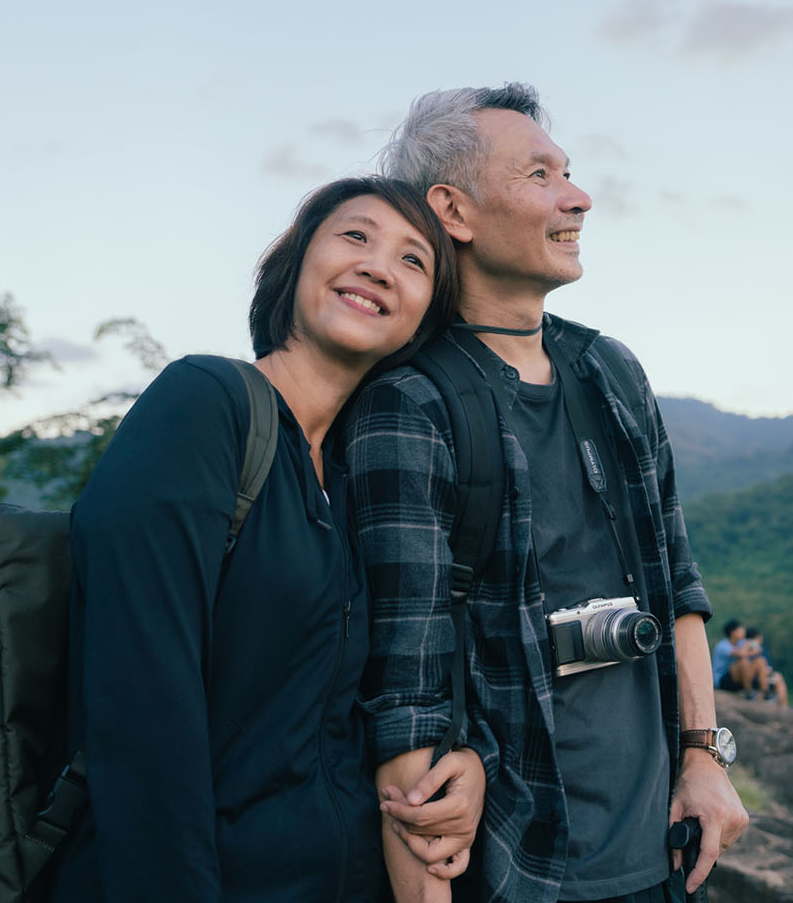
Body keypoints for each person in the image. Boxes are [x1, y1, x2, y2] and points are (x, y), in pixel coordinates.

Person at [347, 84, 748, 903]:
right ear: (453, 210)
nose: (578, 197)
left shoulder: (609, 370)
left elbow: (675, 580)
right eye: (539, 175)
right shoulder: (411, 401)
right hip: (524, 868)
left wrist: (704, 757)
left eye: (569, 172)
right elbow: (407, 696)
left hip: (662, 853)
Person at [50, 177, 484, 903]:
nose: (378, 266)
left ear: (420, 321)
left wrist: (461, 765)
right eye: (355, 236)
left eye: (414, 261)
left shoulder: (353, 479)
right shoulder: (204, 407)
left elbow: (365, 704)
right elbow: (142, 712)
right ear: (293, 262)